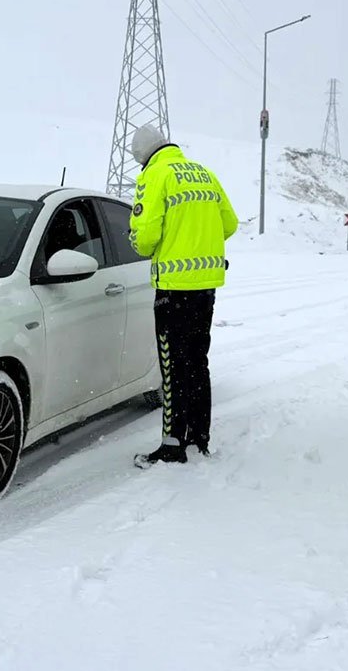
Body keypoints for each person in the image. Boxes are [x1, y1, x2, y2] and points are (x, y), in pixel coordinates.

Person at [128, 124, 238, 468]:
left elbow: (145, 237)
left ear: (143, 156)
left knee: (172, 367)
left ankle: (172, 444)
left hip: (174, 289)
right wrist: (197, 238)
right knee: (196, 362)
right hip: (206, 287)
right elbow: (230, 224)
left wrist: (136, 240)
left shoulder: (154, 176)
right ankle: (199, 436)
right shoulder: (203, 174)